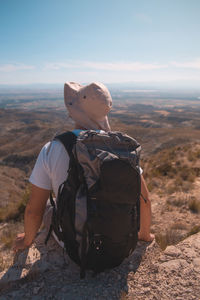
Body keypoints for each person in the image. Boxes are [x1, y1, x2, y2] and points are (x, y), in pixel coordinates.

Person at [13, 82, 154, 253]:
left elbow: (34, 211)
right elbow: (145, 201)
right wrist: (144, 235)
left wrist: (27, 241)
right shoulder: (120, 148)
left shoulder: (52, 148)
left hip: (75, 245)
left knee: (51, 207)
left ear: (73, 113)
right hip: (117, 241)